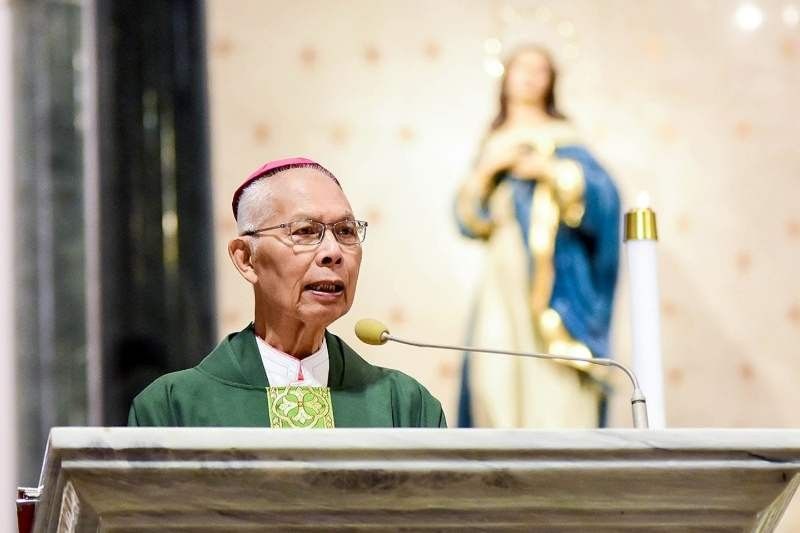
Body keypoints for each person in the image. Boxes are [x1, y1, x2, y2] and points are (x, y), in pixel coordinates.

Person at [129, 157, 446, 428]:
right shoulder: (171, 407)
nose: (332, 252)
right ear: (246, 258)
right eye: (305, 231)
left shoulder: (405, 406)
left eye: (346, 231)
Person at [456, 46, 620, 428]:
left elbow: (604, 198)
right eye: (521, 68)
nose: (529, 76)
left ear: (551, 82)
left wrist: (549, 170)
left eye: (540, 70)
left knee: (553, 379)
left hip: (554, 274)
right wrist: (486, 172)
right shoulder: (492, 141)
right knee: (494, 369)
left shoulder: (565, 139)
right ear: (506, 77)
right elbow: (467, 219)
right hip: (503, 269)